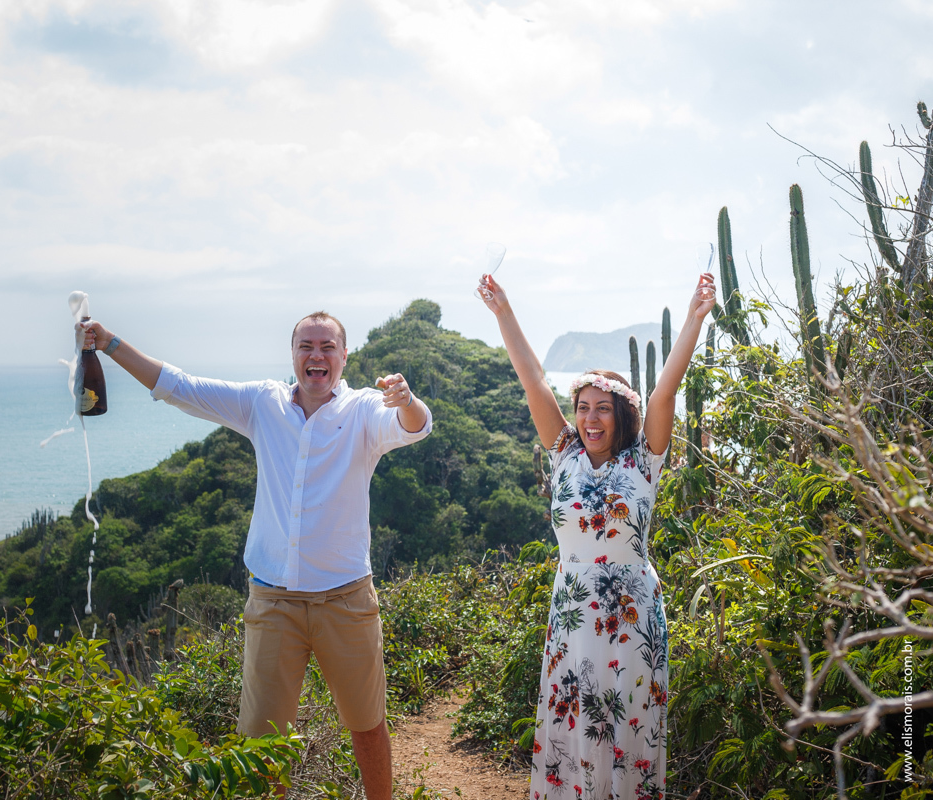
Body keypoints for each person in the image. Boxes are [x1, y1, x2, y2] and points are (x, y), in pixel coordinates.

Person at [80, 311, 432, 800]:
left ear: (344, 356)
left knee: (367, 724)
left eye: (328, 347)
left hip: (346, 600)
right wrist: (110, 343)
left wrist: (406, 400)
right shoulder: (262, 404)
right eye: (306, 346)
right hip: (273, 602)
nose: (317, 356)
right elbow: (178, 386)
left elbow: (411, 425)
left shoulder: (364, 411)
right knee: (262, 744)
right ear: (293, 355)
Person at [478, 271, 715, 800]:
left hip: (633, 616)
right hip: (574, 613)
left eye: (601, 408)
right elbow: (534, 380)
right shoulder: (562, 456)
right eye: (583, 407)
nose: (589, 418)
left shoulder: (643, 463)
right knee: (574, 731)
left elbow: (667, 386)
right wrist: (504, 313)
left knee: (630, 726)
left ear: (621, 414)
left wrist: (694, 316)